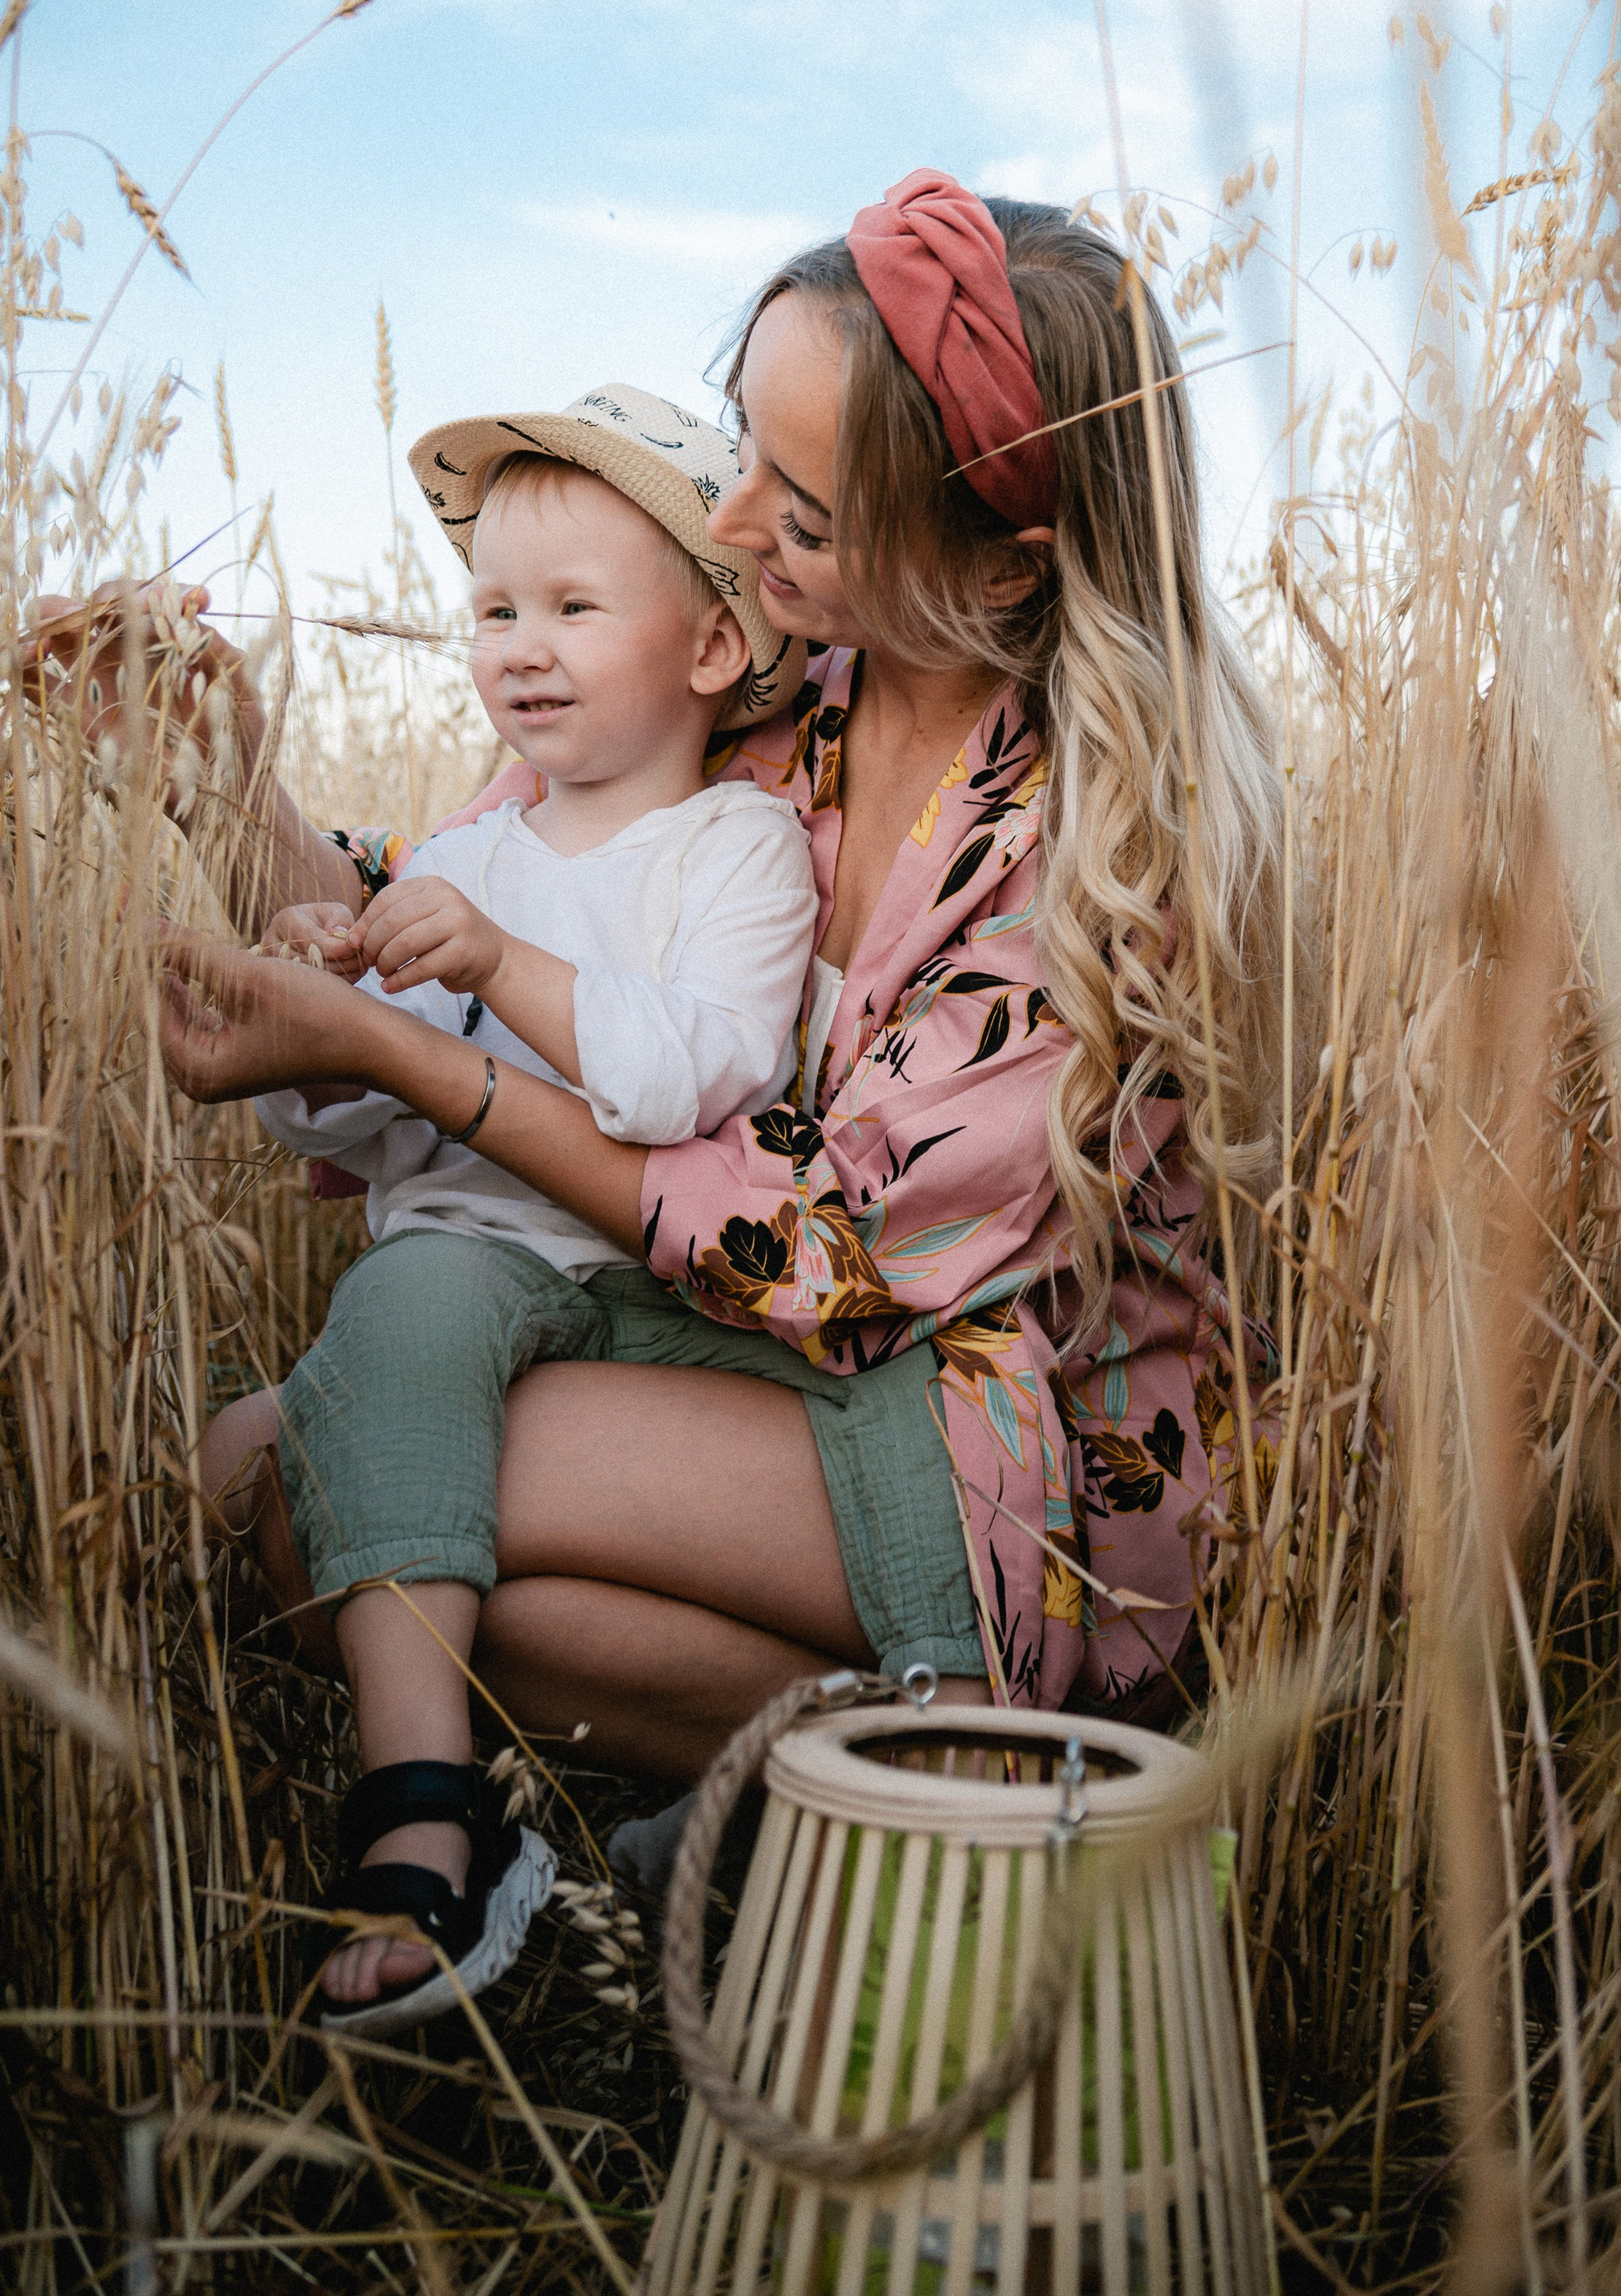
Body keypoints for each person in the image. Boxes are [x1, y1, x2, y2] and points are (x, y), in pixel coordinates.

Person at [158, 171, 1286, 2026]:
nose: (732, 518)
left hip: (987, 1444)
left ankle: (986, 1762)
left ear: (1002, 565)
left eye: (804, 509)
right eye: (742, 445)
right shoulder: (772, 693)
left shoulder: (1101, 849)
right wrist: (229, 788)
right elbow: (473, 908)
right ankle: (872, 1784)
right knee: (279, 1497)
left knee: (337, 1465)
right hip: (734, 1356)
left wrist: (416, 1064)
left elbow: (828, 1248)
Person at [239, 384, 816, 2031]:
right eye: (495, 610)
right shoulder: (469, 855)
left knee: (343, 1402)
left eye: (573, 607)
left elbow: (693, 1074)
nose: (522, 647)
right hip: (479, 1272)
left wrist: (496, 966)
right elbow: (354, 1118)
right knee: (393, 1308)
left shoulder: (737, 849)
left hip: (660, 1295)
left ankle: (490, 1808)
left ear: (713, 647)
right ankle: (445, 1805)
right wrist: (314, 1014)